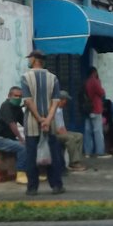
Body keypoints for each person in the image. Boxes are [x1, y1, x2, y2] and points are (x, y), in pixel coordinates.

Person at [20, 50, 65, 195]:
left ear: (34, 60)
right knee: (53, 155)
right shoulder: (53, 78)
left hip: (32, 124)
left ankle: (32, 188)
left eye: (30, 58)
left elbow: (28, 101)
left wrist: (39, 119)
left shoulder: (26, 77)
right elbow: (55, 102)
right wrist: (47, 119)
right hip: (49, 125)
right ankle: (56, 186)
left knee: (31, 156)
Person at [0, 86, 28, 184]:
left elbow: (25, 123)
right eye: (15, 96)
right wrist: (21, 139)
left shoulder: (17, 108)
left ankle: (32, 172)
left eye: (20, 96)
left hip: (9, 139)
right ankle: (20, 174)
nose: (18, 98)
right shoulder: (6, 106)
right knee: (22, 147)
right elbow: (12, 125)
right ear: (9, 96)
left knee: (30, 145)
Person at [55, 90, 87, 172]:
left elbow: (62, 124)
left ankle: (77, 159)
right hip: (55, 133)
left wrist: (64, 131)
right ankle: (74, 162)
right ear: (61, 100)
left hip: (61, 131)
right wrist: (60, 131)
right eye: (65, 100)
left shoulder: (60, 110)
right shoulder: (54, 109)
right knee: (70, 138)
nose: (66, 102)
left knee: (79, 135)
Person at [83, 67, 111, 159]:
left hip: (87, 109)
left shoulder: (86, 82)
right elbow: (101, 92)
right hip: (96, 108)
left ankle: (88, 152)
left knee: (88, 131)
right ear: (94, 72)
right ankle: (100, 152)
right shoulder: (94, 81)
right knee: (98, 131)